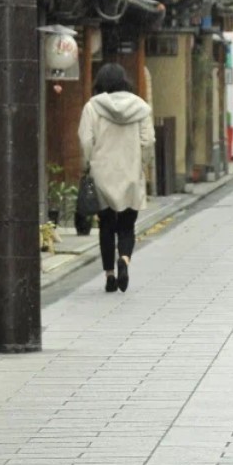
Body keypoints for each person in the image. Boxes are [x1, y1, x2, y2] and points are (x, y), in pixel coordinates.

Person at [79, 63, 155, 293]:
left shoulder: (92, 107)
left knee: (106, 226)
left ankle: (110, 276)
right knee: (126, 226)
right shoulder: (141, 107)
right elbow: (148, 141)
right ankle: (124, 260)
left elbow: (85, 140)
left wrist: (88, 165)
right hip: (130, 173)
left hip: (102, 174)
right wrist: (142, 164)